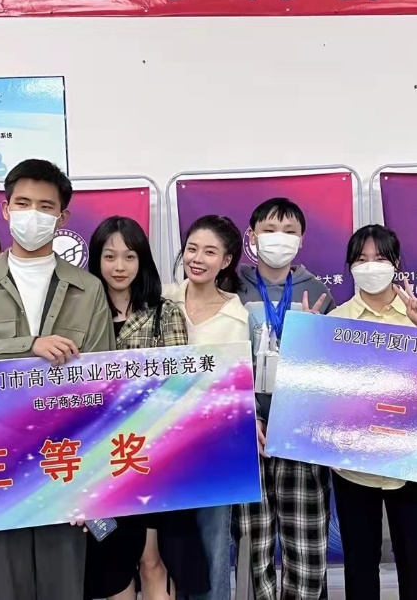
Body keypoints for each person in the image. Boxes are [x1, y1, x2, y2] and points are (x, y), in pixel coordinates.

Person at [0, 158, 115, 600]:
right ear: (6, 209)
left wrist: (92, 478)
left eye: (45, 206)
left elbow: (101, 383)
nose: (33, 214)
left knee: (64, 586)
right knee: (8, 585)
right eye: (23, 203)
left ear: (62, 217)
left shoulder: (87, 289)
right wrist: (26, 346)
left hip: (64, 459)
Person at [83, 216, 209, 600]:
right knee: (113, 563)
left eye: (129, 256)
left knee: (153, 561)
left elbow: (180, 389)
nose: (119, 266)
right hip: (100, 459)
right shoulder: (80, 315)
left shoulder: (164, 312)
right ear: (96, 260)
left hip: (153, 453)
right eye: (109, 256)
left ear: (142, 261)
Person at [328, 225, 417, 600]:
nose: (370, 266)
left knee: (415, 556)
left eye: (379, 258)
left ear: (396, 263)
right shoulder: (337, 320)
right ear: (350, 267)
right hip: (353, 464)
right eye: (361, 259)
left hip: (412, 461)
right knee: (360, 561)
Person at [234, 198, 333, 600]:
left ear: (302, 239)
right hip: (247, 433)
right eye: (270, 230)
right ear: (252, 236)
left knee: (305, 546)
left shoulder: (318, 292)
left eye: (289, 231)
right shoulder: (231, 288)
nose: (279, 238)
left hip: (299, 433)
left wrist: (314, 337)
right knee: (253, 546)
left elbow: (333, 371)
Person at [163, 215, 251, 600]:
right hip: (160, 443)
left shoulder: (238, 317)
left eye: (210, 252)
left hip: (215, 446)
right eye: (192, 249)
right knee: (169, 548)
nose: (197, 259)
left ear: (226, 261)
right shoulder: (162, 299)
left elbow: (238, 387)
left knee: (213, 544)